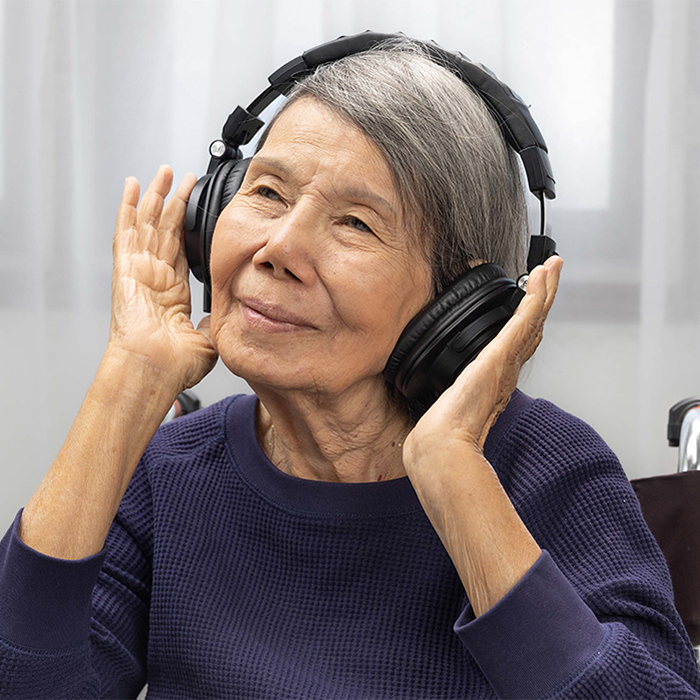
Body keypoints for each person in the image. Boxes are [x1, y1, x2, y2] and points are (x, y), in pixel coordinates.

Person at [1, 37, 698, 700]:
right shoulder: (166, 473)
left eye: (356, 224)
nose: (278, 246)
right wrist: (127, 386)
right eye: (268, 193)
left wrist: (455, 479)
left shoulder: (550, 468)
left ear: (458, 307)